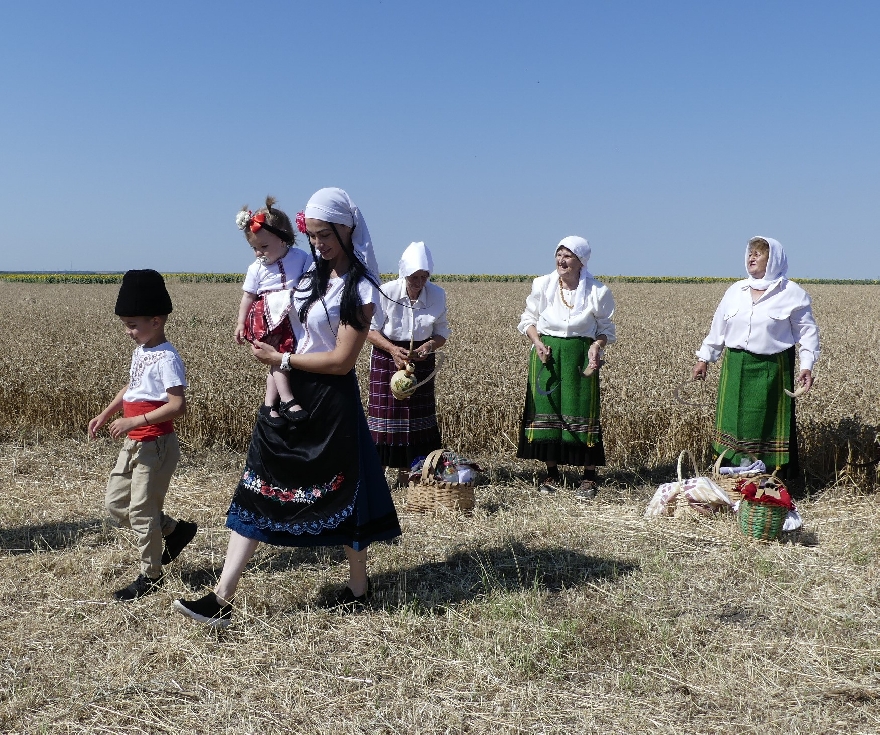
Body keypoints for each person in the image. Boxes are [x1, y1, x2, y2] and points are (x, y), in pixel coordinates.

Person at [174, 188, 401, 628]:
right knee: (259, 480)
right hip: (288, 391)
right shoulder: (312, 273)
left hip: (330, 400)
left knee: (345, 492)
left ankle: (358, 588)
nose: (318, 244)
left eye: (325, 235)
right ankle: (222, 597)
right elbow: (271, 291)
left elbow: (341, 361)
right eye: (312, 235)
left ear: (346, 229)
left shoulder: (360, 288)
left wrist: (281, 360)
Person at [88, 269, 197, 600]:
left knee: (141, 511)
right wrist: (107, 413)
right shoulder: (142, 351)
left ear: (157, 320)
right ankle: (175, 531)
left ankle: (151, 575)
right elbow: (133, 387)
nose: (128, 332)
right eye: (126, 325)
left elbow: (178, 405)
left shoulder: (167, 358)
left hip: (155, 444)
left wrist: (134, 422)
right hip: (134, 442)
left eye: (133, 325)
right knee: (115, 503)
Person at [693, 236, 819, 478]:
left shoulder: (792, 293)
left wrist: (807, 365)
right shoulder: (735, 291)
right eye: (750, 253)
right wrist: (704, 358)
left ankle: (767, 480)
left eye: (759, 254)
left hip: (772, 369)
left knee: (767, 422)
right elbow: (718, 329)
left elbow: (807, 332)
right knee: (734, 421)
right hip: (736, 367)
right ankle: (731, 475)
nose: (752, 257)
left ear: (773, 260)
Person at [516, 236, 616, 500]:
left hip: (581, 357)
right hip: (547, 353)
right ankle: (552, 473)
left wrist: (596, 346)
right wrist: (537, 342)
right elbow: (527, 319)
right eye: (559, 254)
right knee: (549, 410)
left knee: (582, 410)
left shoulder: (598, 291)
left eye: (568, 256)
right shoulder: (542, 285)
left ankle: (589, 477)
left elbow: (605, 330)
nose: (562, 260)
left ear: (581, 261)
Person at [366, 241, 450, 486]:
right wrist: (392, 349)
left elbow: (442, 333)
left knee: (416, 418)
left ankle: (408, 474)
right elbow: (370, 331)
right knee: (385, 417)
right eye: (415, 276)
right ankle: (376, 477)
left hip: (420, 359)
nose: (419, 282)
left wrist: (428, 347)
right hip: (387, 355)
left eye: (424, 276)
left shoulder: (437, 294)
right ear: (404, 273)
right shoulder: (385, 292)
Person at [235, 197, 310, 422]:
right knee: (278, 359)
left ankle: (269, 405)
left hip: (292, 316)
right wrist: (240, 323)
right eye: (254, 248)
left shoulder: (301, 258)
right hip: (268, 317)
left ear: (283, 239)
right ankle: (288, 400)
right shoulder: (256, 269)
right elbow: (248, 296)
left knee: (277, 360)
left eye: (263, 247)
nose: (258, 253)